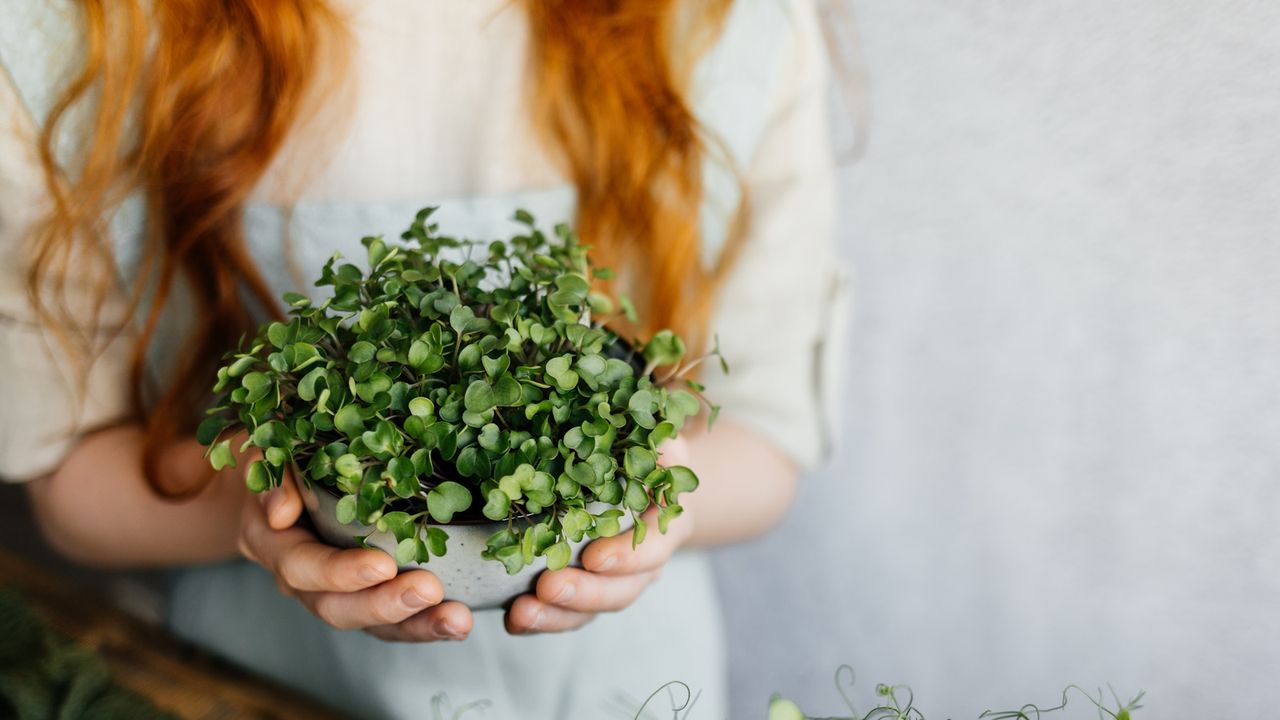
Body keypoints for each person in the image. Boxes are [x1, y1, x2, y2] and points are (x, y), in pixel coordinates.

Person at [0, 1, 844, 716]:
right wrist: (269, 502)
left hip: (620, 689)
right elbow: (69, 480)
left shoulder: (724, 23)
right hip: (253, 678)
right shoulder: (79, 33)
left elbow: (767, 433)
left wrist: (652, 508)